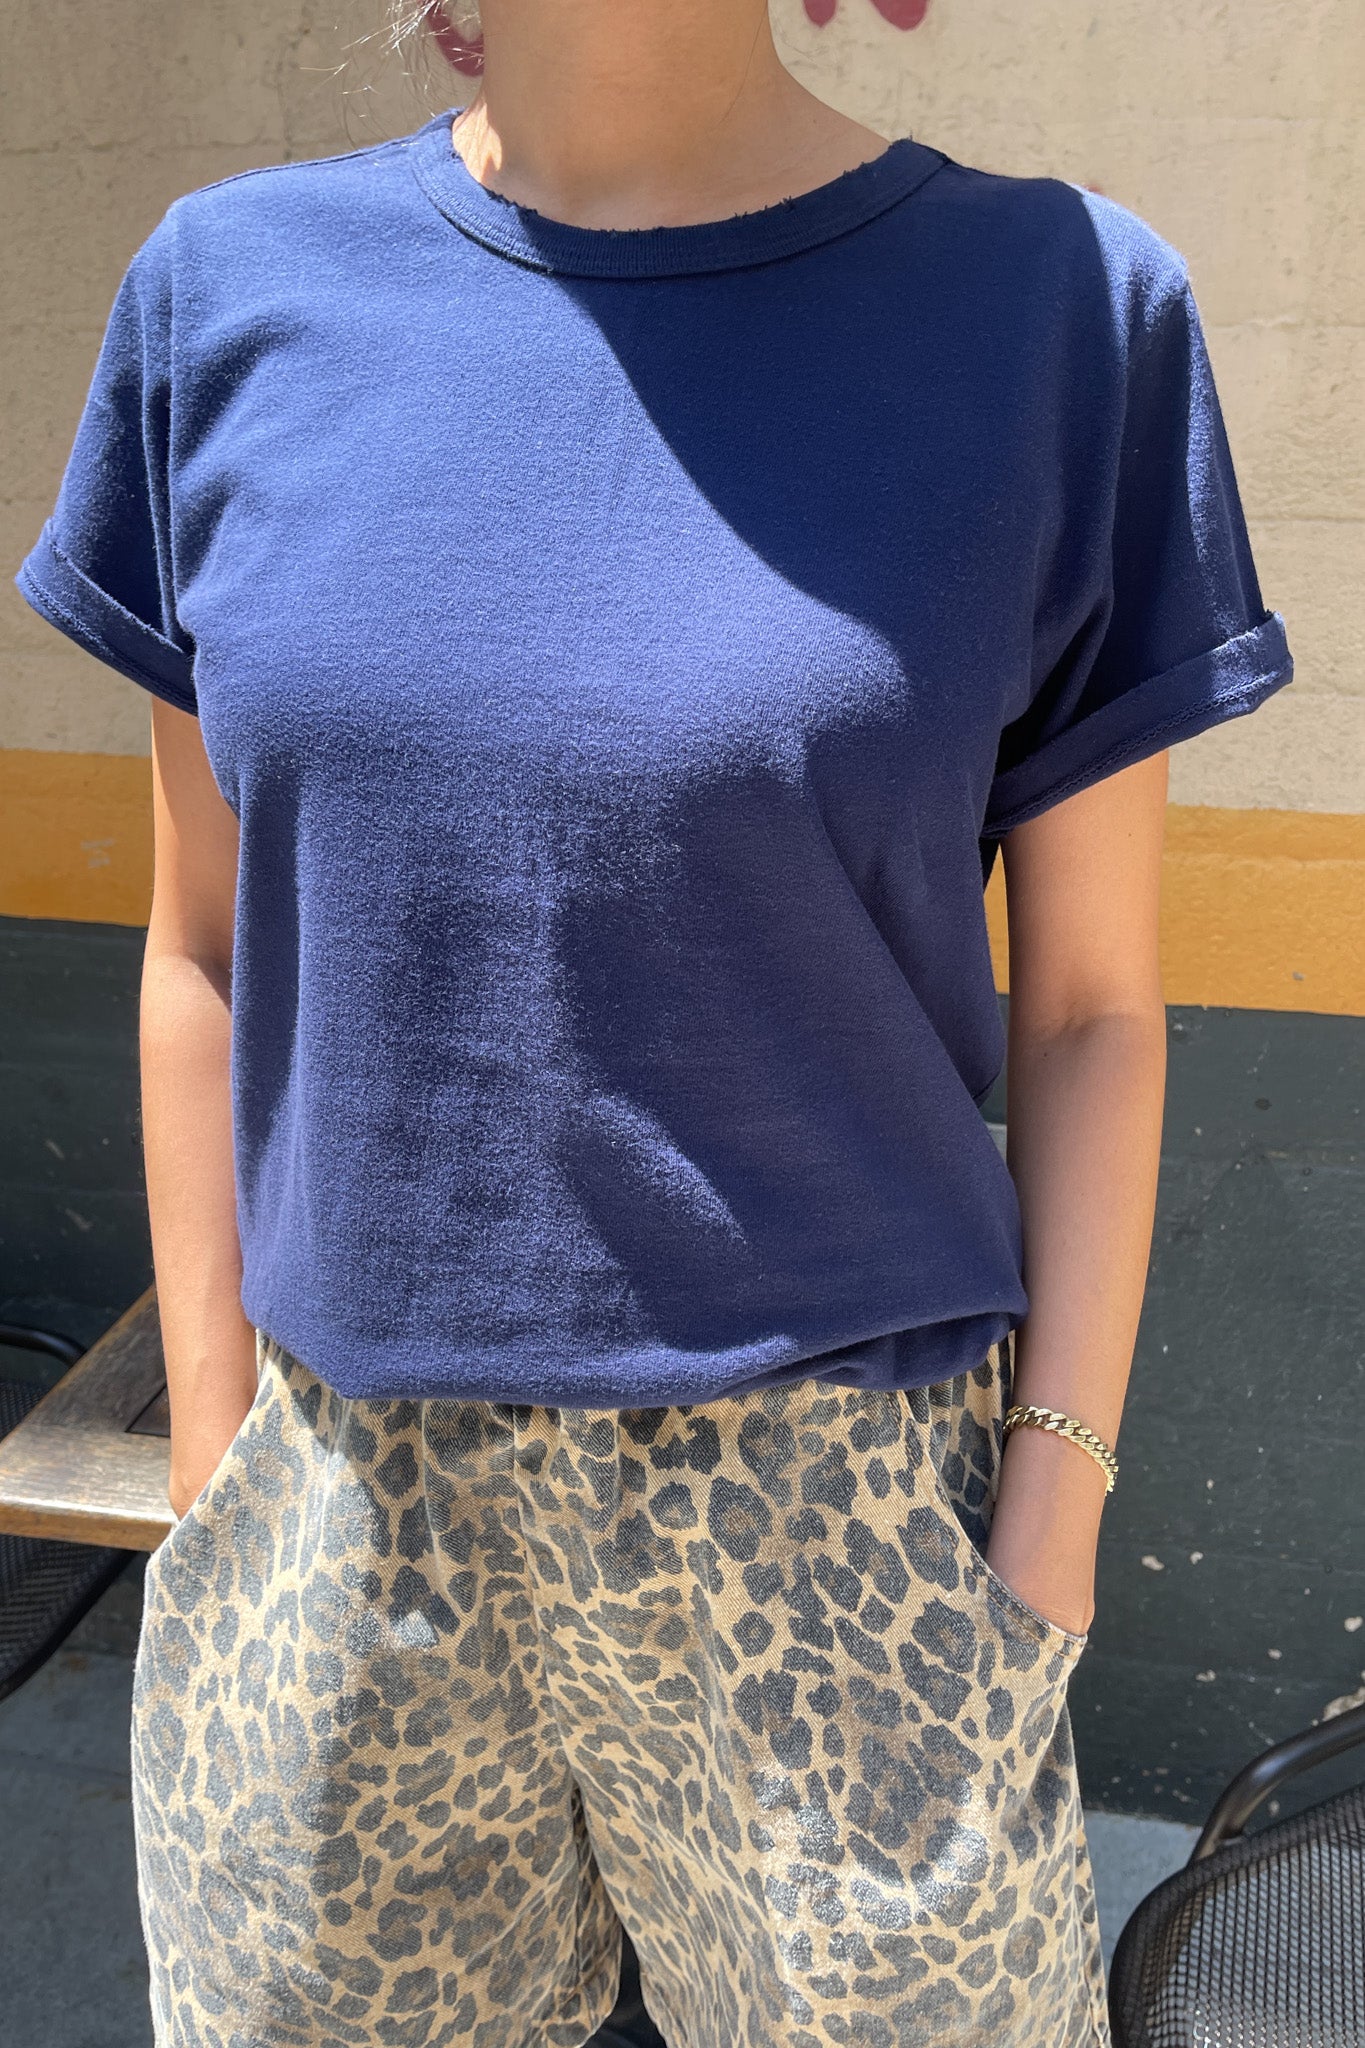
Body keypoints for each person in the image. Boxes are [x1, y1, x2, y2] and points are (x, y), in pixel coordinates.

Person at [16, 3, 1293, 2044]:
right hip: (339, 1503)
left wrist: (1045, 1520)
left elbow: (1085, 1007)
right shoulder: (226, 296)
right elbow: (203, 948)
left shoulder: (1059, 314)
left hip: (832, 1522)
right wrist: (214, 1467)